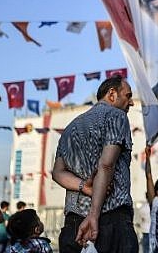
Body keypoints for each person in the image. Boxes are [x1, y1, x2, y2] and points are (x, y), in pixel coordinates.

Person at [52, 75, 137, 253]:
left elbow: (58, 173)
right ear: (112, 94)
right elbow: (106, 165)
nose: (131, 103)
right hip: (109, 221)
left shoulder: (70, 128)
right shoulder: (117, 116)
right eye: (128, 96)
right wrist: (93, 215)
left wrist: (84, 186)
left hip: (74, 225)